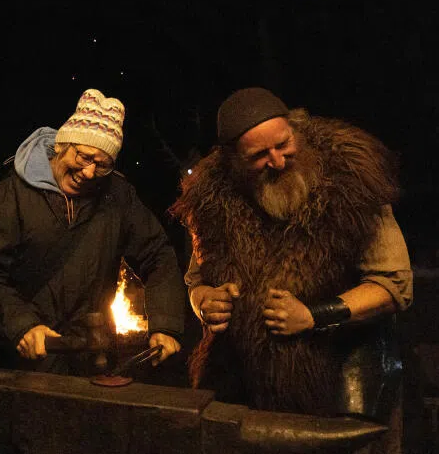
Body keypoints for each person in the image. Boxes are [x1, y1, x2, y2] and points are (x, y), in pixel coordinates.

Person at [170, 87, 413, 424]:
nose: (278, 162)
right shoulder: (212, 203)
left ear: (294, 129)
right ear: (233, 160)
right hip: (242, 387)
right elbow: (196, 280)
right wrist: (205, 301)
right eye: (258, 155)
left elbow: (393, 286)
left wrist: (314, 316)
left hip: (338, 384)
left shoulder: (354, 183)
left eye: (283, 144)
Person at [0, 88, 185, 376]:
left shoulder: (119, 197)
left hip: (90, 362)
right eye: (84, 156)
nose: (89, 172)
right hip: (15, 364)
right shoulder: (12, 196)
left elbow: (157, 254)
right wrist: (21, 325)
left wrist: (166, 324)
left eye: (102, 165)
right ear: (63, 145)